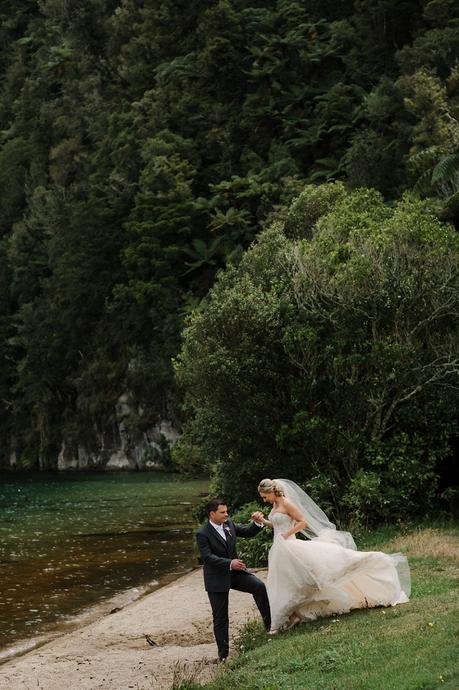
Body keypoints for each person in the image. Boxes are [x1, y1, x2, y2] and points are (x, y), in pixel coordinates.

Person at [257, 478, 411, 634]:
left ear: (271, 491)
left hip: (290, 546)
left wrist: (288, 534)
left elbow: (302, 522)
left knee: (310, 578)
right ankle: (290, 615)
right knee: (285, 582)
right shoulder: (275, 505)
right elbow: (277, 524)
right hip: (279, 549)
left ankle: (279, 623)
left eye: (265, 496)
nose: (264, 500)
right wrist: (263, 521)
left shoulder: (286, 503)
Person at [196, 497, 271, 661]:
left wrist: (257, 523)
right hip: (216, 579)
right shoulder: (202, 533)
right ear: (212, 514)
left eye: (226, 511)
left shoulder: (229, 524)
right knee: (221, 617)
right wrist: (229, 563)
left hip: (236, 575)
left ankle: (270, 627)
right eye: (222, 512)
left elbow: (247, 531)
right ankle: (223, 655)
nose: (226, 514)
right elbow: (207, 558)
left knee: (259, 586)